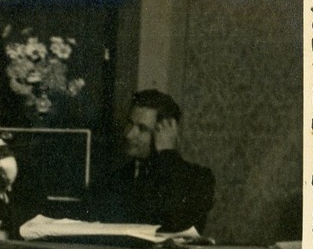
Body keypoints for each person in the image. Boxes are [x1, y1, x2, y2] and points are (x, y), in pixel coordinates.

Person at [83, 89, 215, 233]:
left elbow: (175, 224)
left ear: (164, 133)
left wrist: (167, 154)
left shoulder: (198, 179)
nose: (129, 135)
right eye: (130, 124)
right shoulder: (112, 178)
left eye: (142, 129)